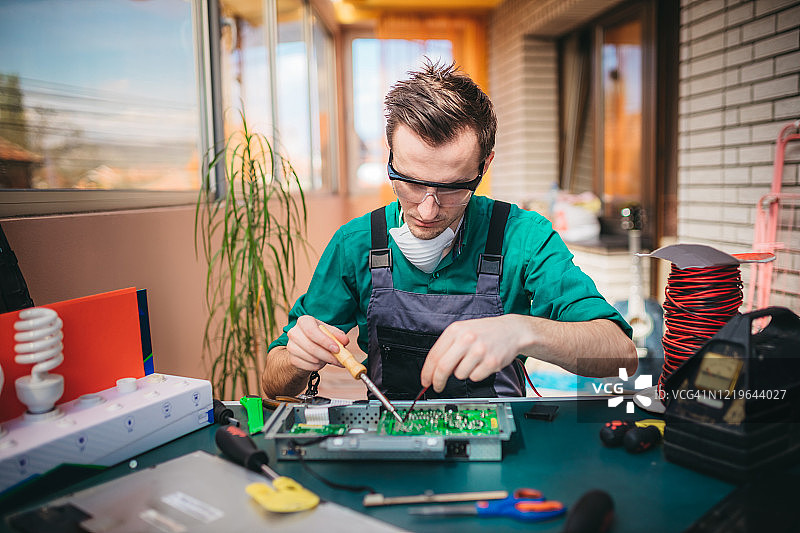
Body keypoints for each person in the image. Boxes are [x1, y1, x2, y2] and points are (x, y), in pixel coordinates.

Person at [262, 60, 636, 400]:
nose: (427, 210)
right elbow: (274, 383)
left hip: (498, 442)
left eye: (452, 188)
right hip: (390, 439)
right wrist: (297, 358)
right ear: (390, 156)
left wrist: (523, 330)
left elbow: (621, 354)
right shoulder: (356, 244)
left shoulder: (523, 238)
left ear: (484, 166)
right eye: (410, 182)